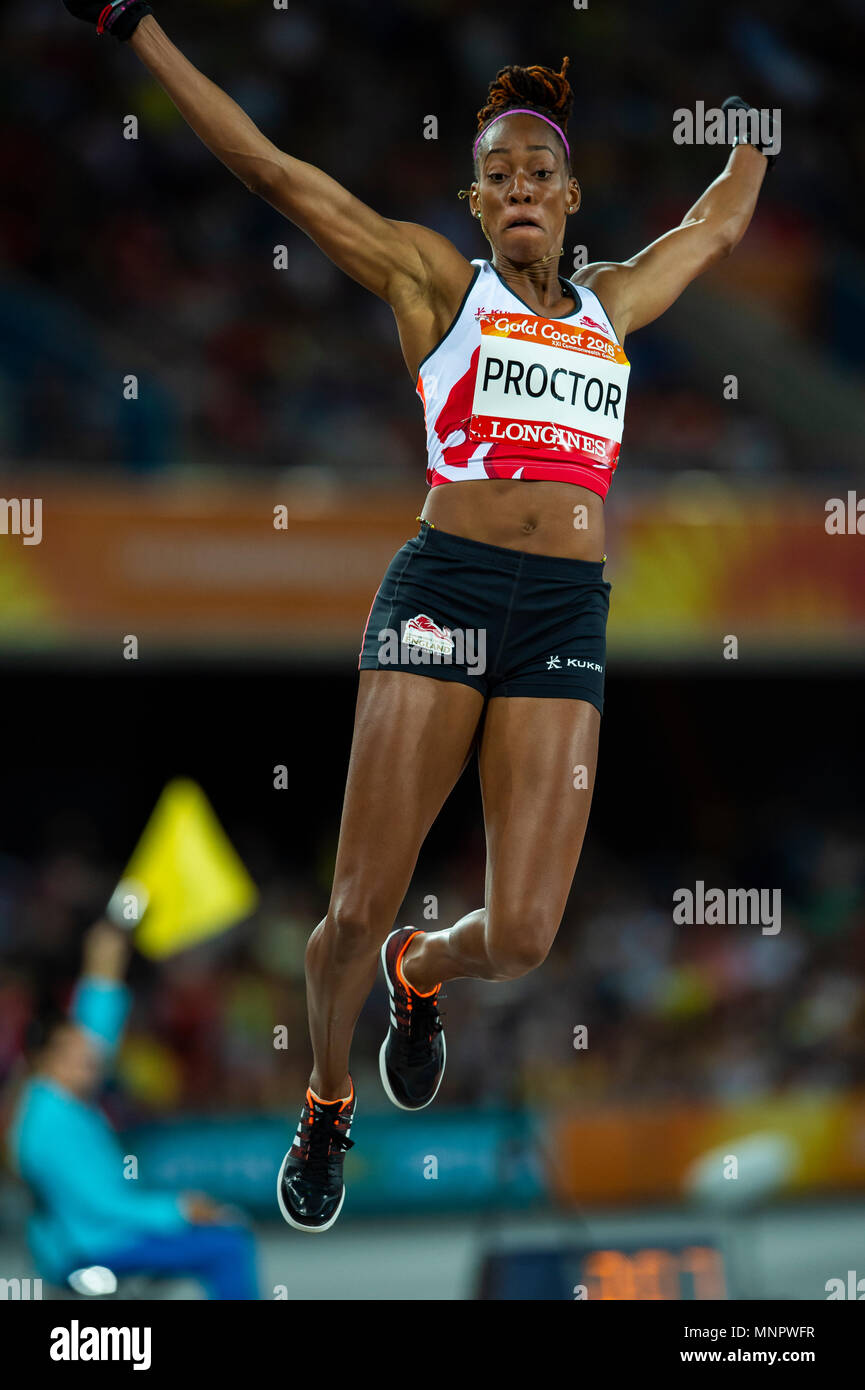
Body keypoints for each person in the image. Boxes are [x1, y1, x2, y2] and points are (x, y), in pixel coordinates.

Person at [61, 2, 774, 1231]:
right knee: (352, 904)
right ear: (474, 199)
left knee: (530, 935)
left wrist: (756, 117)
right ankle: (329, 1094)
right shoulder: (434, 282)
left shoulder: (611, 310)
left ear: (567, 192)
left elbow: (715, 225)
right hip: (442, 594)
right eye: (493, 175)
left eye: (535, 172)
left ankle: (420, 969)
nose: (515, 190)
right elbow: (271, 171)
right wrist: (141, 32)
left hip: (562, 609)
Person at [8, 919, 260, 1297]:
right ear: (46, 1061)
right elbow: (102, 1207)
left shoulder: (60, 1094)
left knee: (222, 1235)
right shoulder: (48, 1123)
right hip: (91, 1247)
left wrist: (103, 962)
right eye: (75, 1054)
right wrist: (182, 1211)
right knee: (228, 1244)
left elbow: (95, 1027)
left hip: (96, 1234)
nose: (91, 1057)